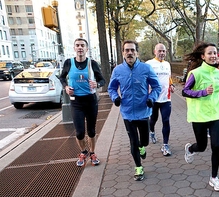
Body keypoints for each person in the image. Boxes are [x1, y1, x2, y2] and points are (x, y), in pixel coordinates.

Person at [182, 42, 219, 192]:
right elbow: (185, 92)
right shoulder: (196, 73)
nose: (213, 56)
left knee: (216, 146)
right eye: (210, 53)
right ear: (203, 56)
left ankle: (214, 178)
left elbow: (217, 91)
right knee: (202, 146)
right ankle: (191, 149)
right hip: (199, 115)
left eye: (215, 53)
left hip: (215, 115)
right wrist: (202, 92)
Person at [107, 40, 161, 181]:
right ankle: (138, 167)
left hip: (143, 111)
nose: (129, 53)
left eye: (132, 50)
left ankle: (142, 147)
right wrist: (115, 98)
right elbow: (111, 88)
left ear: (137, 52)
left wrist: (151, 98)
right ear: (123, 53)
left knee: (144, 141)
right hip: (127, 112)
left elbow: (157, 87)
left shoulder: (146, 68)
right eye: (127, 50)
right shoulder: (118, 70)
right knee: (133, 141)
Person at [59, 38, 106, 167]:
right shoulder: (69, 63)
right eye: (77, 45)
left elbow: (102, 80)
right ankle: (83, 152)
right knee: (79, 132)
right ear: (74, 48)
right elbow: (62, 77)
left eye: (82, 45)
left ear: (87, 49)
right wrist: (66, 87)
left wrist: (97, 84)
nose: (80, 47)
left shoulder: (93, 63)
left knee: (91, 131)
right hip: (76, 102)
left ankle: (92, 153)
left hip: (90, 101)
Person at [145, 43, 175, 156]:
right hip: (153, 98)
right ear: (155, 51)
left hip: (166, 98)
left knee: (166, 120)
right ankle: (152, 131)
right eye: (160, 51)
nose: (162, 53)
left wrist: (171, 85)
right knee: (153, 119)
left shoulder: (167, 64)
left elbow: (168, 77)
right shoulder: (149, 64)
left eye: (164, 51)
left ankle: (165, 145)